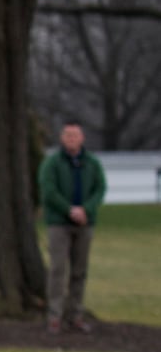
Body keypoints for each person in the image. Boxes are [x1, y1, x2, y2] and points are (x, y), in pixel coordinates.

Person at [38, 121, 106, 334]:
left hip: (85, 223)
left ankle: (75, 314)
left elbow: (100, 188)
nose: (71, 139)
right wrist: (69, 210)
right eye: (68, 135)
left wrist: (86, 209)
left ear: (82, 138)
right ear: (62, 138)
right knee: (58, 270)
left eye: (75, 135)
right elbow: (48, 190)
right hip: (59, 223)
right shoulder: (52, 163)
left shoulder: (92, 163)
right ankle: (54, 316)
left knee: (80, 271)